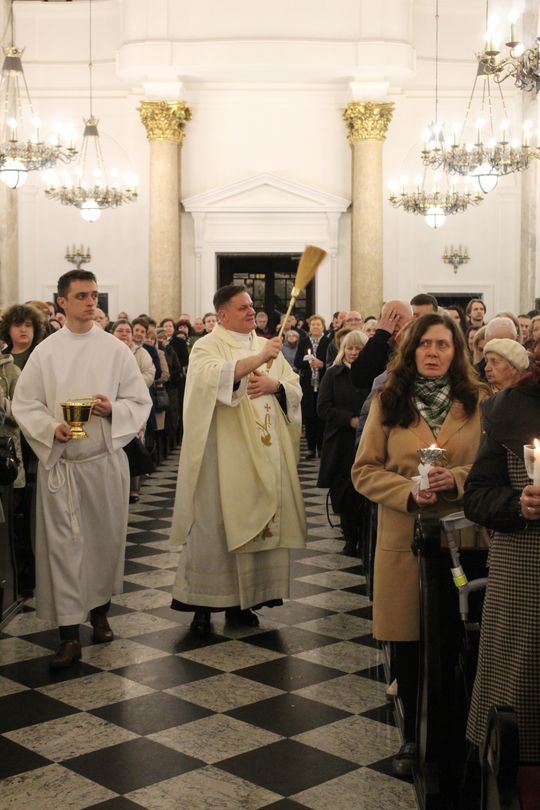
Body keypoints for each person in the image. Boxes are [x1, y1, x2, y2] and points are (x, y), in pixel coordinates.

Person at [352, 313, 487, 777]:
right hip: (404, 537)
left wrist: (459, 478)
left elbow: (492, 467)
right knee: (409, 641)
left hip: (463, 539)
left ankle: (463, 733)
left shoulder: (479, 401)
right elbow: (364, 470)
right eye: (425, 344)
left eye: (443, 345)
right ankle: (413, 734)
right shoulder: (389, 400)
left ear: (457, 352)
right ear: (411, 351)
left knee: (459, 638)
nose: (433, 352)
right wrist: (408, 489)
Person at [12, 270, 152, 670]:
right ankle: (69, 635)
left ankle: (101, 613)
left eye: (94, 295)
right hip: (63, 467)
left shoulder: (115, 349)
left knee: (103, 543)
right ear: (62, 302)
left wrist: (113, 409)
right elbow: (25, 404)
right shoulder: (46, 352)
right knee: (63, 550)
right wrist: (49, 429)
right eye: (82, 296)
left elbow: (138, 401)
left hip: (103, 463)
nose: (91, 302)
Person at [170, 284, 306, 635]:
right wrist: (257, 362)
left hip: (264, 453)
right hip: (221, 458)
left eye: (251, 306)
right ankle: (202, 606)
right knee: (213, 528)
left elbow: (293, 387)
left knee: (258, 528)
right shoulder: (207, 345)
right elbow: (209, 380)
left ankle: (244, 604)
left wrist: (276, 387)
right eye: (242, 307)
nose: (251, 312)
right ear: (223, 314)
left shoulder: (264, 344)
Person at [464, 367, 540, 808]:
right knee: (523, 717)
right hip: (526, 584)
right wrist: (518, 504)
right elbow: (476, 495)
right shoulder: (510, 409)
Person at [317, 330, 369, 555]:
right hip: (341, 442)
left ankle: (364, 536)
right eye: (350, 348)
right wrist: (349, 420)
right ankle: (350, 537)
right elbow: (323, 408)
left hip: (366, 441)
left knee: (364, 490)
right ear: (343, 350)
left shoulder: (373, 375)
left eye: (359, 349)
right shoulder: (333, 374)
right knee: (344, 491)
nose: (354, 352)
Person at [294, 315, 331, 459]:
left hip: (323, 383)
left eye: (318, 324)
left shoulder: (328, 342)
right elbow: (297, 362)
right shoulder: (304, 342)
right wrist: (308, 363)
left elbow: (332, 360)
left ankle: (321, 448)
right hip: (308, 385)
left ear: (323, 327)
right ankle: (310, 448)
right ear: (309, 327)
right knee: (309, 416)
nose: (315, 327)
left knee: (321, 416)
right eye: (313, 324)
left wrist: (322, 364)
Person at [1, 304, 46, 369]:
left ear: (35, 329)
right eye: (17, 325)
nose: (23, 330)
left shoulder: (42, 355)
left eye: (28, 325)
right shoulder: (2, 356)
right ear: (8, 329)